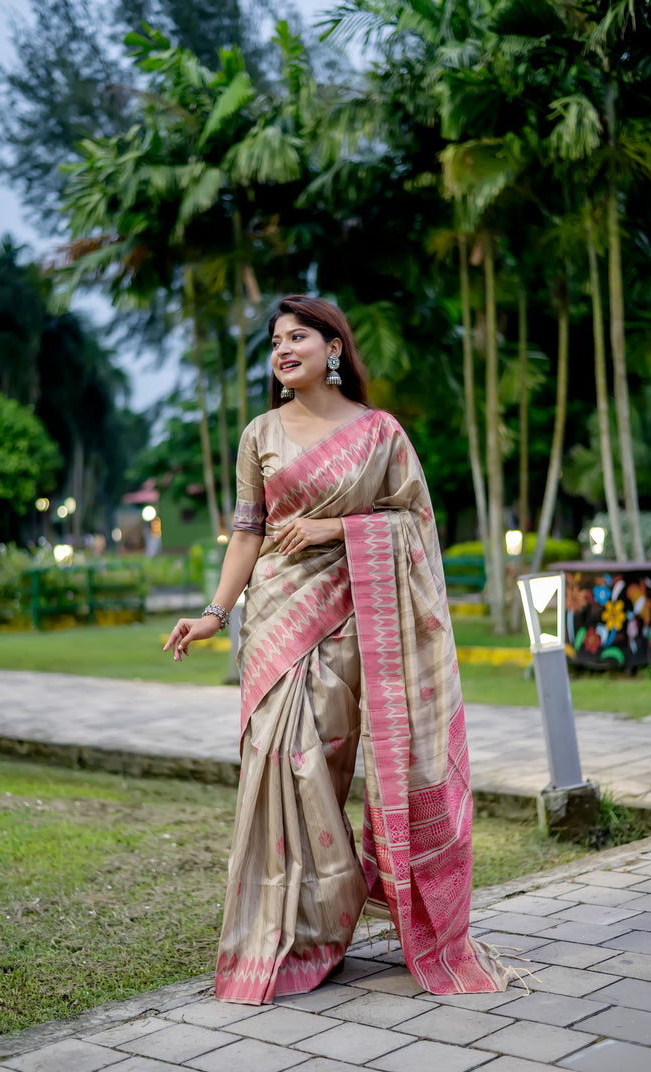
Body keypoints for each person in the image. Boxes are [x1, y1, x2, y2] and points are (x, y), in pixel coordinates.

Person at [163, 295, 513, 1005]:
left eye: (298, 336)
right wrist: (212, 613)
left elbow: (412, 522)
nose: (283, 349)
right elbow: (246, 532)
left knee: (323, 759)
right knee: (276, 758)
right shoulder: (260, 432)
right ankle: (288, 927)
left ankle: (335, 907)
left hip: (355, 618)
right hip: (274, 618)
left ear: (334, 349)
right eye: (275, 341)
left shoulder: (380, 435)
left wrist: (335, 531)